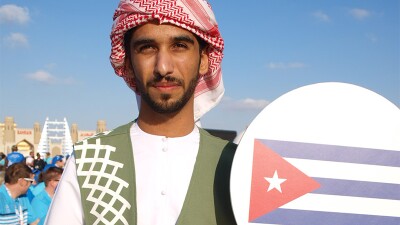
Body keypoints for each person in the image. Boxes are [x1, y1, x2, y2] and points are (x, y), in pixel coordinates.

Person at [46, 1, 236, 225]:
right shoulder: (88, 160)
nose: (163, 67)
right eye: (147, 48)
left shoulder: (237, 163)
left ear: (203, 60)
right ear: (128, 63)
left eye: (179, 46)